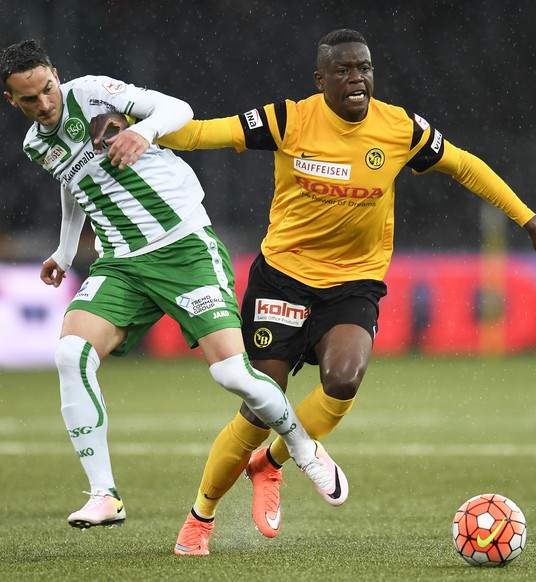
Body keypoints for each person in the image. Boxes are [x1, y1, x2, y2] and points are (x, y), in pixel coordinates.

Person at [90, 28, 536, 554]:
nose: (357, 78)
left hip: (354, 281)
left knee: (344, 378)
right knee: (258, 409)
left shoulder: (400, 128)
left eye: (364, 68)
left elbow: (465, 165)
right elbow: (200, 133)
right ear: (320, 80)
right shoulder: (288, 119)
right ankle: (200, 517)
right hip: (283, 277)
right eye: (343, 70)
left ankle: (271, 464)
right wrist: (139, 127)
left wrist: (529, 221)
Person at [0, 39, 350, 556]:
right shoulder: (36, 143)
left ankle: (300, 446)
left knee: (232, 374)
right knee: (69, 353)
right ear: (12, 100)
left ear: (55, 73)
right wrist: (63, 247)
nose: (45, 105)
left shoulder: (95, 93)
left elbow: (178, 110)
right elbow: (74, 183)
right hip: (121, 263)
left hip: (182, 246)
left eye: (48, 89)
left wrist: (141, 131)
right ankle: (104, 494)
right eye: (30, 100)